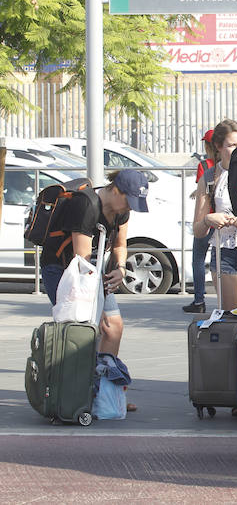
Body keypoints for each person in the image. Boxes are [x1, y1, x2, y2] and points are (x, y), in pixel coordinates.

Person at [40, 169, 151, 413]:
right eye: (129, 201)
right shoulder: (86, 204)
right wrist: (95, 298)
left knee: (113, 327)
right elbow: (82, 258)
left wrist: (120, 269)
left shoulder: (121, 212)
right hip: (62, 270)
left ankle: (105, 391)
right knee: (79, 331)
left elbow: (121, 244)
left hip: (93, 271)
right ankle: (77, 394)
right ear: (116, 190)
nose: (130, 208)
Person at [191, 119, 237, 314]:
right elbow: (198, 230)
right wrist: (209, 219)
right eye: (232, 145)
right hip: (224, 251)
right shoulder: (209, 177)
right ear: (218, 146)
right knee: (231, 316)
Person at [184, 129, 216, 313]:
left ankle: (199, 300)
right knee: (220, 262)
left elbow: (203, 188)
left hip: (206, 219)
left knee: (198, 258)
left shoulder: (205, 165)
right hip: (225, 220)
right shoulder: (230, 165)